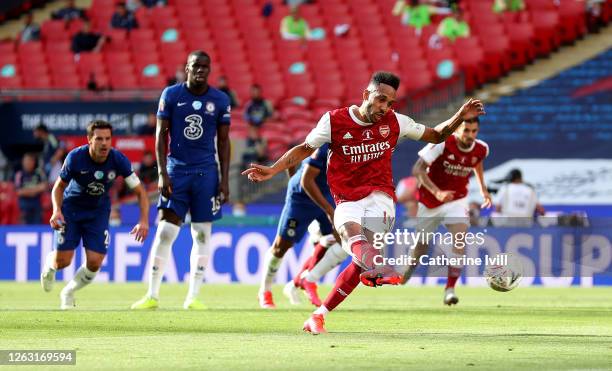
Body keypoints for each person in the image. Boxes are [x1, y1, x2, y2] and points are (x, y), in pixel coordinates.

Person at [243, 71, 485, 334]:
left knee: (360, 261)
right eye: (381, 100)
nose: (385, 108)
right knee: (353, 240)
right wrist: (272, 169)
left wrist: (459, 116)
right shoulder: (335, 121)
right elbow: (304, 148)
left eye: (390, 103)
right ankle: (322, 312)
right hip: (346, 198)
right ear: (365, 94)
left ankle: (364, 272)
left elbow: (437, 135)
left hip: (381, 198)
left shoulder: (396, 122)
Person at [131, 50, 231, 310]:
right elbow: (160, 136)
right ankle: (152, 295)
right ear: (186, 68)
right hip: (177, 172)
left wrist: (224, 180)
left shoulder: (220, 100)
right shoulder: (171, 95)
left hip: (207, 173)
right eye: (196, 65)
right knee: (166, 231)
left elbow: (224, 141)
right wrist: (162, 173)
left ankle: (193, 296)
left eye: (205, 67)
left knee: (202, 233)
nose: (201, 70)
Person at [41, 120, 150, 309]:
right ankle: (50, 265)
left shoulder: (118, 160)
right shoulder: (75, 157)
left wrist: (143, 221)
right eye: (99, 138)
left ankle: (68, 291)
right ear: (89, 140)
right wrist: (56, 210)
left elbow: (140, 192)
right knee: (63, 262)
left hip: (98, 211)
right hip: (71, 209)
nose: (105, 143)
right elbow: (58, 187)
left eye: (108, 139)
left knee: (94, 262)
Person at [401, 116, 491, 306]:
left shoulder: (481, 148)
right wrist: (437, 192)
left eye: (474, 131)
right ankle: (409, 269)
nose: (470, 135)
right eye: (466, 130)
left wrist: (483, 190)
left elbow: (477, 163)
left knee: (460, 239)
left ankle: (450, 289)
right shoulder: (442, 143)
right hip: (430, 201)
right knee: (421, 247)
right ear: (457, 130)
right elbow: (417, 169)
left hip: (457, 199)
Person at [257, 144, 343, 308]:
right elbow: (305, 178)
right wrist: (329, 211)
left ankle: (299, 282)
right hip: (302, 197)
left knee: (341, 242)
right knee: (281, 247)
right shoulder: (325, 143)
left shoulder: (356, 143)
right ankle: (265, 291)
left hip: (328, 195)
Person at [15, 153, 47, 224]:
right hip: (23, 204)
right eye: (26, 161)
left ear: (34, 162)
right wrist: (36, 190)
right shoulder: (19, 174)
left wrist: (27, 191)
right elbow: (19, 192)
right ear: (23, 162)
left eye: (30, 161)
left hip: (37, 203)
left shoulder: (39, 173)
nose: (28, 163)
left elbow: (44, 187)